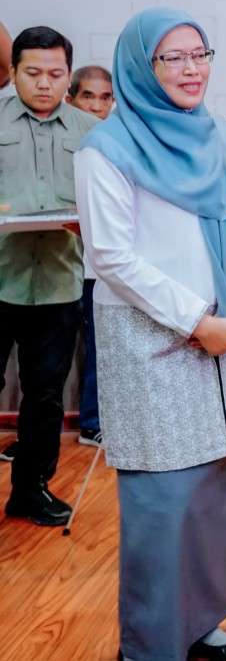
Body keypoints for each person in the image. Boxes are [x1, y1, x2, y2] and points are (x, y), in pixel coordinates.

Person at [75, 8, 226, 661]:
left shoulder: (224, 134)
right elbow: (112, 256)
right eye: (172, 58)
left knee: (220, 492)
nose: (192, 70)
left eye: (199, 54)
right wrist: (197, 318)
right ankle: (150, 645)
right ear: (142, 67)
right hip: (155, 343)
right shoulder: (105, 148)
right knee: (166, 502)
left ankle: (201, 621)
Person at [0, 26, 99, 526]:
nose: (44, 83)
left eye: (56, 74)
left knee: (44, 395)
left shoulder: (90, 131)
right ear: (13, 71)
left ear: (68, 75)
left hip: (60, 283)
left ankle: (31, 489)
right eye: (33, 73)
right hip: (0, 279)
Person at [69, 64, 115, 448]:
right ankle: (90, 421)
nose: (97, 106)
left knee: (102, 350)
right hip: (65, 266)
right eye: (88, 96)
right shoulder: (68, 148)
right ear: (72, 100)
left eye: (105, 97)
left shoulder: (114, 145)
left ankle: (94, 422)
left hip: (101, 270)